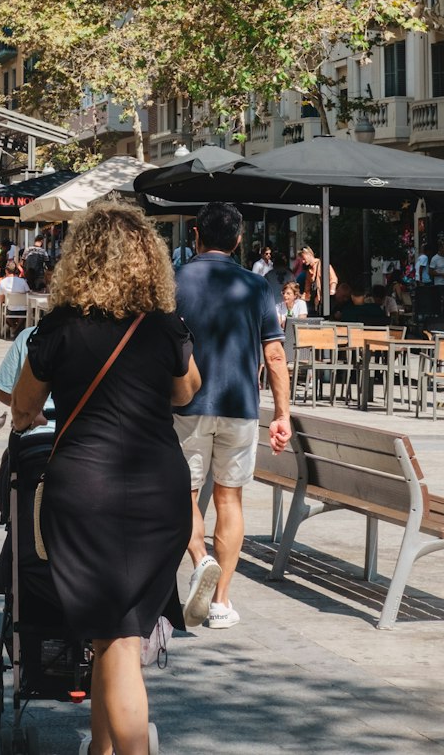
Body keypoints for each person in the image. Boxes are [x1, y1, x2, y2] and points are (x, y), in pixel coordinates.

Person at [11, 204, 200, 755]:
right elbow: (187, 393)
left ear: (80, 260)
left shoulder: (60, 329)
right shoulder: (164, 327)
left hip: (84, 495)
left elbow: (24, 406)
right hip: (158, 492)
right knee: (114, 634)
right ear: (148, 261)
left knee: (114, 640)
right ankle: (100, 749)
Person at [175, 201, 291, 631]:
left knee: (183, 495)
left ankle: (200, 559)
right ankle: (221, 602)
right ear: (239, 240)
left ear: (195, 235)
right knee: (230, 500)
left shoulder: (174, 281)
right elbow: (275, 355)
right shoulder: (257, 287)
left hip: (187, 406)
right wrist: (282, 415)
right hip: (241, 406)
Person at [297, 244, 337, 316]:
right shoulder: (309, 271)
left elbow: (333, 278)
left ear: (309, 254)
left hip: (326, 301)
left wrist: (331, 290)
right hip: (317, 303)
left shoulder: (322, 264)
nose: (303, 261)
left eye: (303, 258)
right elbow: (307, 290)